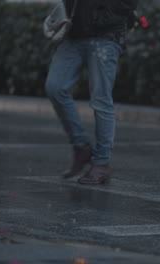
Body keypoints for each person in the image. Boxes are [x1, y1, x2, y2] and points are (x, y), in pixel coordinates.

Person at [45, 0, 138, 184]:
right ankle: (81, 147)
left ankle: (101, 164)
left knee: (101, 99)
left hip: (106, 35)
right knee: (55, 87)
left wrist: (101, 18)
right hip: (72, 33)